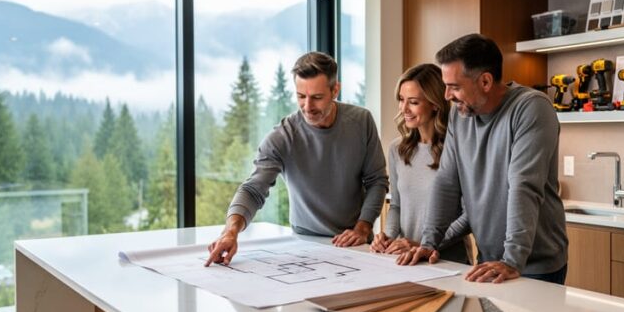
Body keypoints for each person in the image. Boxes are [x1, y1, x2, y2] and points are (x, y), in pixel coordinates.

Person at [397, 34, 568, 285]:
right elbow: (446, 182)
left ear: (485, 81)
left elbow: (524, 186)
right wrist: (429, 243)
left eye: (454, 87)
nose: (446, 96)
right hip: (490, 260)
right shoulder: (460, 115)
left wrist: (512, 259)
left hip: (533, 264)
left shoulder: (531, 108)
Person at [206, 52, 389, 266]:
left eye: (317, 97)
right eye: (301, 96)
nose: (308, 106)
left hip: (354, 243)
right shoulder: (283, 136)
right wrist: (230, 232)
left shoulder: (361, 121)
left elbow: (377, 181)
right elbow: (253, 190)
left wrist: (363, 227)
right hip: (304, 243)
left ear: (335, 90)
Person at [369, 63, 470, 264]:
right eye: (401, 100)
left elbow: (468, 217)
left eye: (413, 102)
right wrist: (387, 237)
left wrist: (423, 244)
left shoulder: (459, 150)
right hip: (407, 261)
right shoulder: (397, 149)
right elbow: (396, 205)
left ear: (435, 103)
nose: (404, 109)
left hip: (447, 261)